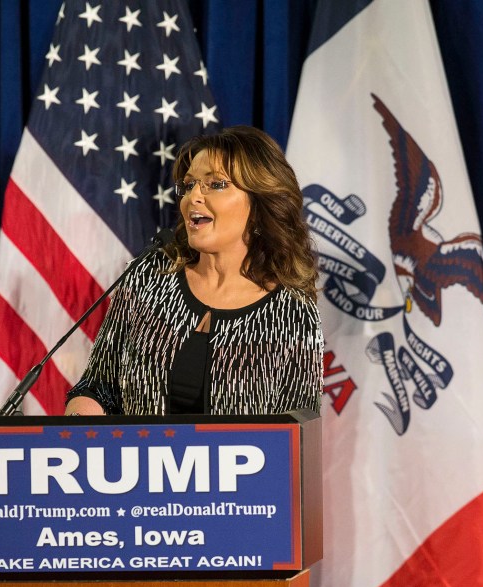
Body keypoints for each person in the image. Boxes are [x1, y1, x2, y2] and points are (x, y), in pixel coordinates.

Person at [65, 126, 323, 416]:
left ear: (260, 203)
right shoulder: (149, 278)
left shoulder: (291, 312)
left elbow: (298, 429)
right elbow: (98, 387)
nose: (193, 197)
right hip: (140, 448)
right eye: (188, 186)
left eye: (216, 184)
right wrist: (78, 426)